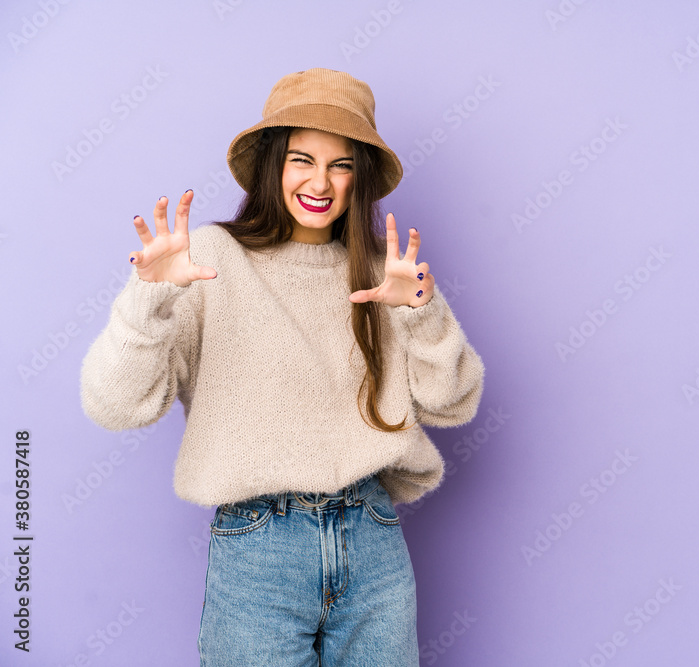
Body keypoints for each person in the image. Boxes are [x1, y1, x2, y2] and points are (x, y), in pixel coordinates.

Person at [79, 68, 485, 666]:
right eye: (302, 159)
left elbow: (456, 403)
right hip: (259, 550)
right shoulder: (211, 260)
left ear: (359, 179)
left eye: (341, 165)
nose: (320, 182)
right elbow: (113, 406)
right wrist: (148, 301)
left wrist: (421, 313)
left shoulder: (384, 273)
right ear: (274, 164)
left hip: (372, 539)